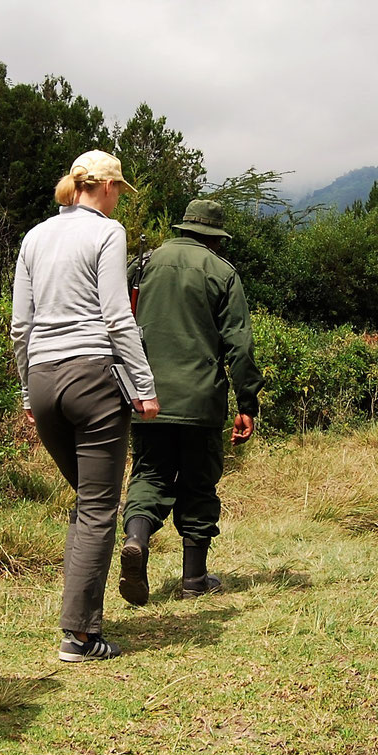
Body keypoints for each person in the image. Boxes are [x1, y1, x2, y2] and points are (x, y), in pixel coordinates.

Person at [10, 150, 159, 661]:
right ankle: (80, 635)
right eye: (120, 191)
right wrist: (143, 385)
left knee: (89, 502)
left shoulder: (34, 237)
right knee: (99, 506)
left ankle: (79, 619)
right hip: (93, 375)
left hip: (44, 379)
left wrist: (29, 393)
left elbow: (20, 327)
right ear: (106, 187)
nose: (120, 200)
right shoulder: (106, 234)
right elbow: (117, 316)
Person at [119, 198, 262, 604]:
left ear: (184, 229)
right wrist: (246, 404)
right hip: (200, 402)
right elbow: (240, 346)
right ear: (215, 238)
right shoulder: (222, 272)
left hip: (146, 397)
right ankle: (194, 580)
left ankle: (136, 541)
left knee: (150, 474)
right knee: (199, 483)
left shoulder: (142, 265)